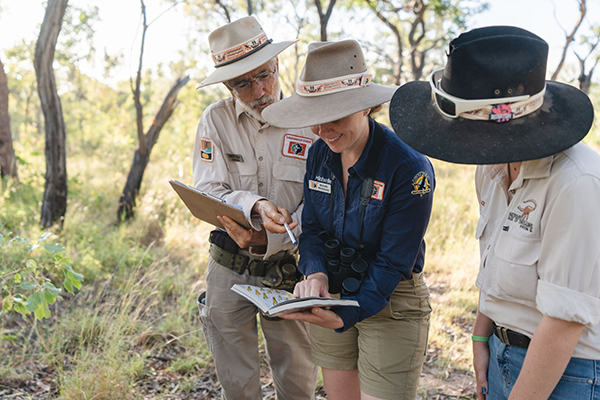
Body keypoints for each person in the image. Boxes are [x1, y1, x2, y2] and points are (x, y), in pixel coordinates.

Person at [388, 26, 600, 400]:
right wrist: (481, 335)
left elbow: (564, 321)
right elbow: (493, 262)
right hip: (504, 347)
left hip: (567, 370)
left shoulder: (576, 182)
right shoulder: (491, 167)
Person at [263, 39, 435, 400]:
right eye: (315, 121)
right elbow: (311, 228)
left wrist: (347, 314)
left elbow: (394, 260)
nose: (324, 131)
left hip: (389, 300)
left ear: (367, 107)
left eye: (336, 118)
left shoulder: (408, 168)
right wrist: (316, 273)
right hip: (332, 293)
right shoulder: (319, 154)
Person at [193, 16, 318, 400]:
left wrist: (271, 237)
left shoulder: (310, 119)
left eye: (263, 74)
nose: (258, 89)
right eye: (242, 83)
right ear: (228, 85)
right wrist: (254, 206)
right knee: (237, 383)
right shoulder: (215, 120)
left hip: (290, 268)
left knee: (297, 379)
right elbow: (208, 188)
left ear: (277, 64)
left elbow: (322, 198)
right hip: (229, 266)